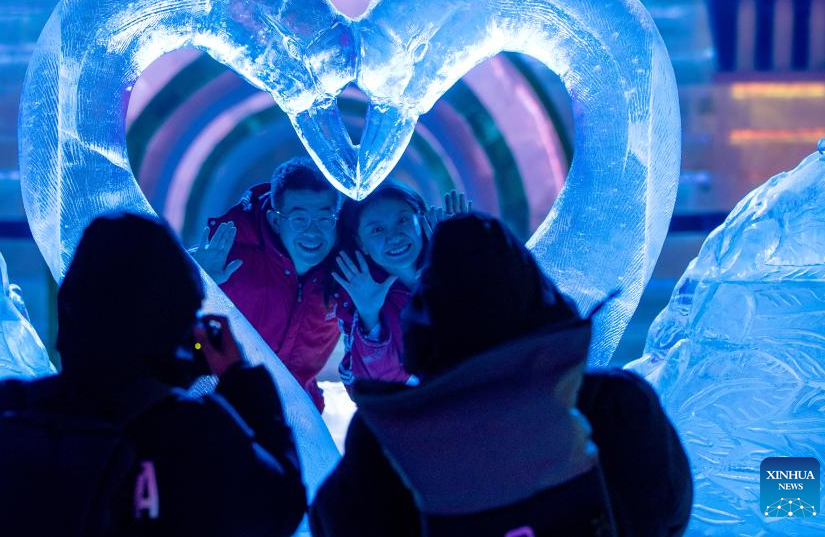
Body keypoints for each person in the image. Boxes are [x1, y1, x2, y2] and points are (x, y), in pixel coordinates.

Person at [310, 213, 692, 537]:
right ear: (538, 289)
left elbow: (334, 522)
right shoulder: (613, 403)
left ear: (424, 316)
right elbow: (667, 511)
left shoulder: (387, 435)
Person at [0, 213, 306, 537]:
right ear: (174, 319)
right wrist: (241, 380)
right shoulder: (191, 429)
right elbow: (281, 507)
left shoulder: (13, 406)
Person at [193, 157, 342, 411]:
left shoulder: (345, 271)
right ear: (276, 221)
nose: (313, 232)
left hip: (298, 416)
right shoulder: (227, 258)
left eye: (323, 219)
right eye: (299, 219)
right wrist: (198, 283)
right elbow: (158, 315)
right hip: (224, 412)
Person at [332, 185, 468, 389]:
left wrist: (463, 260)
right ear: (360, 243)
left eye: (403, 220)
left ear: (421, 220)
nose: (394, 237)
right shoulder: (355, 295)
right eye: (377, 229)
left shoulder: (456, 262)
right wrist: (369, 315)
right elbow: (371, 389)